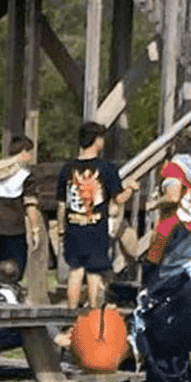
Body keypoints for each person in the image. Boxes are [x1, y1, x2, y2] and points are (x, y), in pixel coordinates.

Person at [56, 122, 128, 309]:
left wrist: (61, 229)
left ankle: (71, 315)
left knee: (75, 272)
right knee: (94, 274)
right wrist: (131, 189)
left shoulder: (67, 169)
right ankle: (94, 315)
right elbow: (118, 199)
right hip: (96, 229)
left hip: (73, 228)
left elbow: (61, 203)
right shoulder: (107, 168)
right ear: (97, 140)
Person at [0, 136, 43, 281]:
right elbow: (30, 205)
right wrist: (35, 230)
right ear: (23, 153)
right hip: (14, 231)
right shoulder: (25, 176)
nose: (30, 157)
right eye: (29, 152)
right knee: (14, 272)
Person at [149, 123, 191, 264]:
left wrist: (154, 204)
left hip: (171, 233)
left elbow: (173, 196)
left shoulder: (175, 167)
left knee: (163, 279)